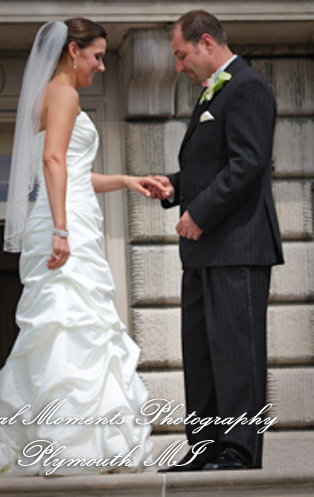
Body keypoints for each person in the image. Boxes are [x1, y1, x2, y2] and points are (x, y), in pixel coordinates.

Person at [0, 18, 166, 477]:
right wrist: (62, 230)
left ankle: (73, 436)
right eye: (97, 56)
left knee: (75, 324)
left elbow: (73, 169)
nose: (101, 66)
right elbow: (51, 161)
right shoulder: (63, 93)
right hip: (64, 223)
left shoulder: (56, 95)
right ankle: (69, 442)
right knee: (65, 324)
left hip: (72, 215)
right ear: (72, 51)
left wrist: (125, 179)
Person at [155, 10, 280, 472]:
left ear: (207, 42)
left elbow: (249, 164)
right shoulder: (213, 92)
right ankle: (204, 446)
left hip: (239, 245)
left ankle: (238, 451)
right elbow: (213, 167)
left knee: (236, 354)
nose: (179, 66)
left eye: (182, 55)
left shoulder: (248, 87)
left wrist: (200, 214)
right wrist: (173, 186)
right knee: (203, 354)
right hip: (204, 251)